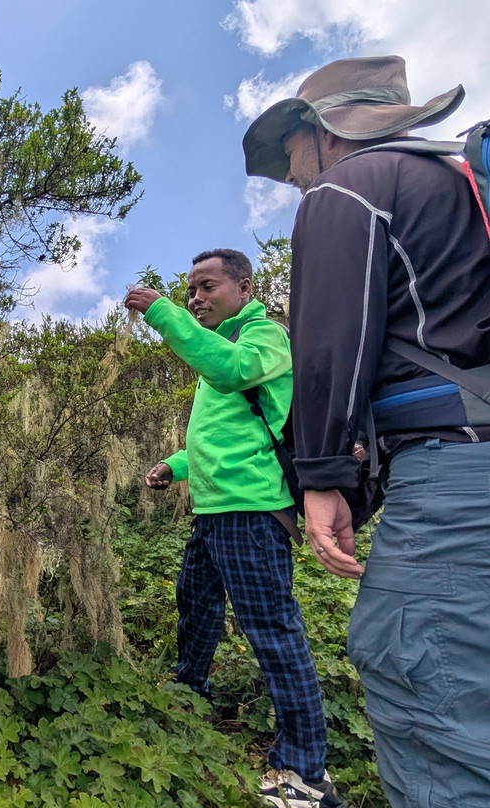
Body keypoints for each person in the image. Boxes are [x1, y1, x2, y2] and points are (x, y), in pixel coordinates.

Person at [243, 55, 490, 807]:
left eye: (288, 149)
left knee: (425, 681)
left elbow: (327, 347)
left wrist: (320, 479)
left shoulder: (349, 190)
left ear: (325, 131)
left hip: (454, 475)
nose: (288, 174)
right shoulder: (460, 189)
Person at [124, 249, 346, 808]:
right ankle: (189, 691)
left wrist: (164, 313)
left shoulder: (263, 339)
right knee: (195, 605)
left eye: (207, 287)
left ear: (245, 288)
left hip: (251, 513)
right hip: (214, 512)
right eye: (190, 291)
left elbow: (232, 374)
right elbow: (222, 432)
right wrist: (173, 467)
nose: (196, 298)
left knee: (272, 631)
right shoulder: (220, 346)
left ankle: (304, 770)